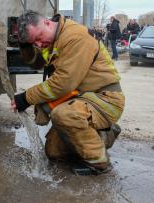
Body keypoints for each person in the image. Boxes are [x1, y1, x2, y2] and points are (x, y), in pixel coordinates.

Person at [12, 11, 125, 174]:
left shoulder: (75, 37)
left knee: (63, 115)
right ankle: (90, 137)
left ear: (47, 22)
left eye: (38, 38)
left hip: (105, 100)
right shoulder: (52, 39)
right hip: (81, 97)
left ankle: (99, 161)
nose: (37, 44)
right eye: (33, 42)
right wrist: (24, 45)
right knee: (53, 152)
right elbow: (35, 63)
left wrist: (26, 98)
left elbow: (63, 84)